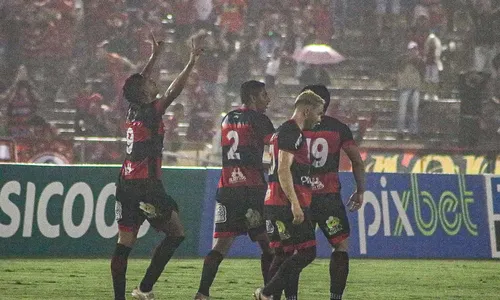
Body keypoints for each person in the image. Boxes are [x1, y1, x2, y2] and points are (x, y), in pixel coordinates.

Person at [111, 30, 205, 300]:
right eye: (151, 84)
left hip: (125, 183)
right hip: (146, 186)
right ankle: (144, 288)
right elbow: (174, 92)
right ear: (144, 93)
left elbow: (137, 84)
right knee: (176, 234)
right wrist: (190, 63)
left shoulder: (132, 108)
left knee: (124, 242)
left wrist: (154, 57)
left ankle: (120, 297)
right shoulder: (151, 110)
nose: (155, 84)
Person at [195, 80, 275, 300]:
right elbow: (275, 149)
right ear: (252, 98)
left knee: (221, 246)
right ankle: (268, 293)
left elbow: (239, 152)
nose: (267, 100)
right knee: (269, 245)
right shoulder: (260, 120)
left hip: (228, 188)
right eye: (264, 95)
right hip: (252, 189)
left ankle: (202, 293)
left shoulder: (227, 118)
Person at [254, 90, 325, 300]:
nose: (319, 119)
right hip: (285, 202)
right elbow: (283, 169)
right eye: (318, 113)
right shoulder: (291, 131)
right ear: (307, 110)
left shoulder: (282, 132)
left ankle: (270, 295)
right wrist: (295, 203)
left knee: (283, 253)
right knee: (307, 252)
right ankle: (265, 293)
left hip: (275, 201)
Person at [302, 85, 365, 300]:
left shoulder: (295, 128)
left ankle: (287, 296)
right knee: (340, 245)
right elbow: (357, 160)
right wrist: (360, 190)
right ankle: (335, 297)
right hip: (328, 198)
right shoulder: (338, 128)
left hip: (302, 198)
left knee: (294, 250)